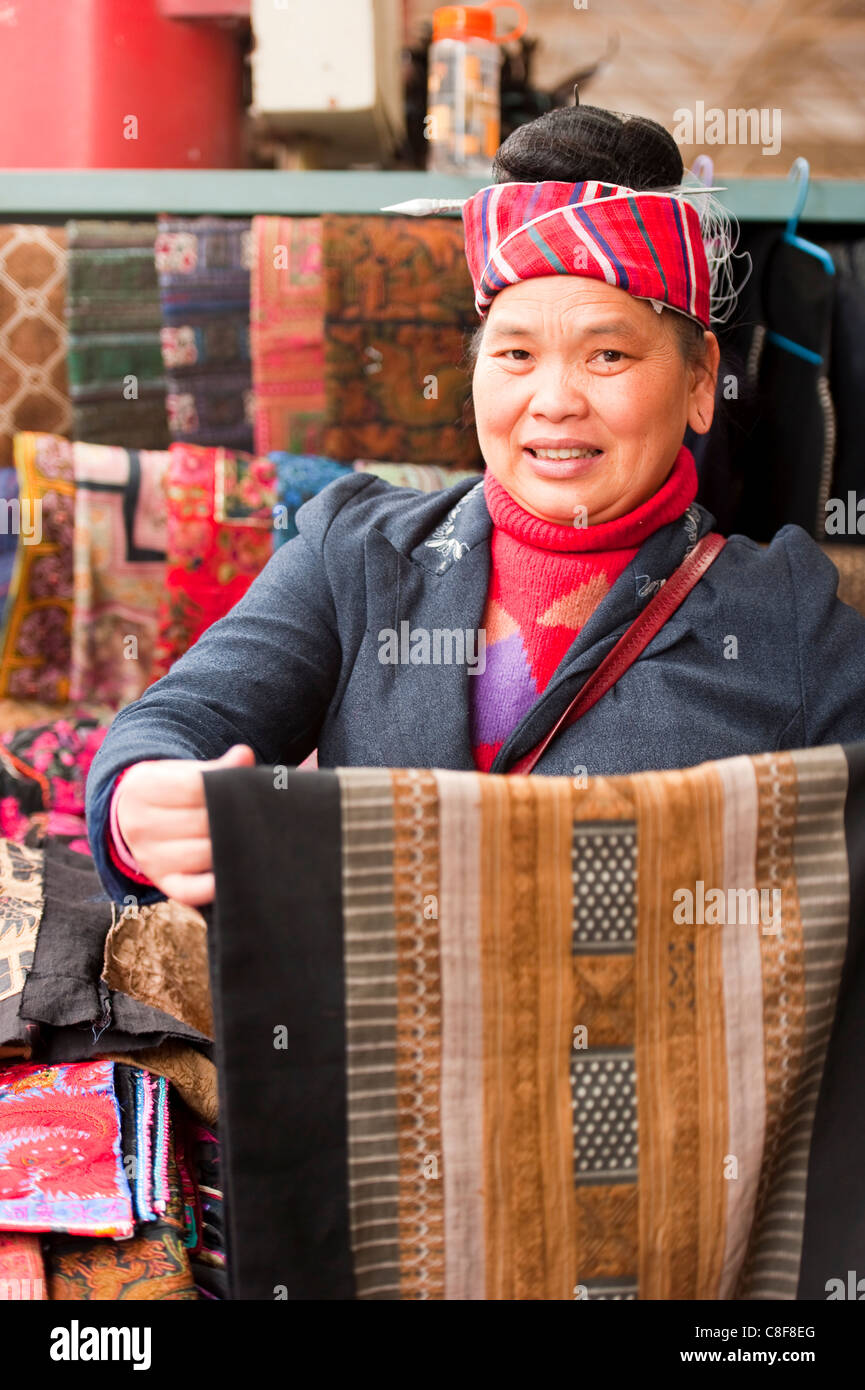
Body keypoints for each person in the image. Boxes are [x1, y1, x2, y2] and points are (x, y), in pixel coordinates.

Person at [85, 104, 865, 909]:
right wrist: (143, 800)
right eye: (516, 354)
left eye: (607, 354)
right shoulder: (353, 551)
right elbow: (183, 716)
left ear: (700, 378)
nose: (553, 401)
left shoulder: (784, 620)